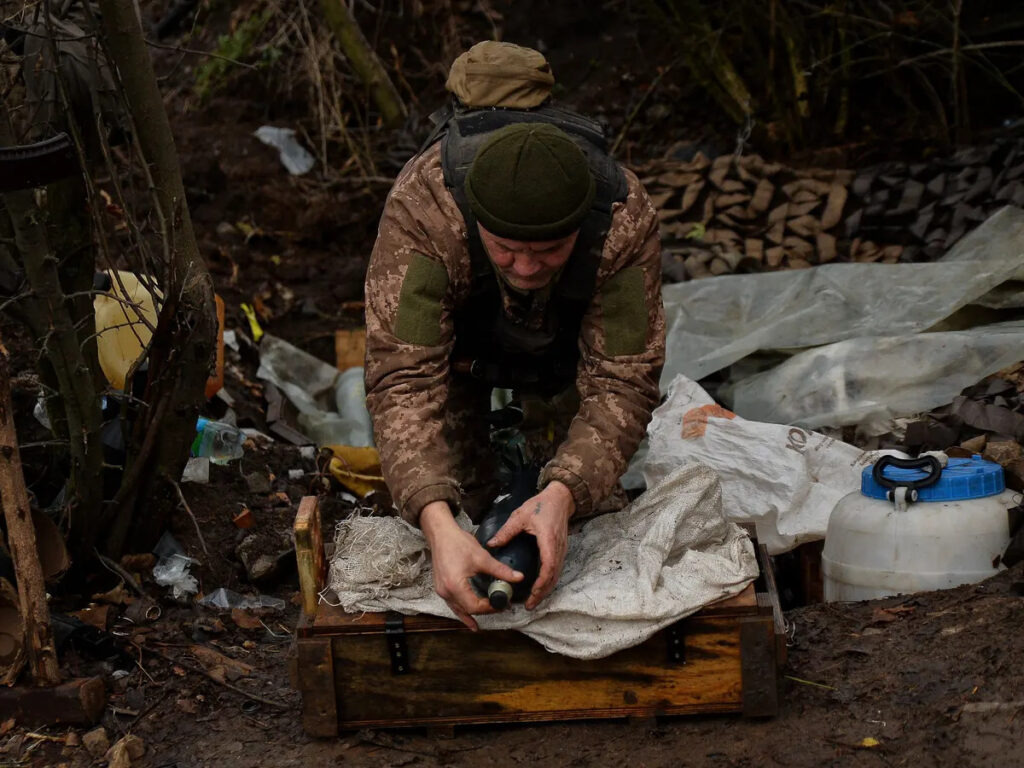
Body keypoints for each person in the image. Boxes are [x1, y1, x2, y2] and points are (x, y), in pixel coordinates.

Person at [364, 42, 665, 630]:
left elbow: (624, 378)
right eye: (507, 249)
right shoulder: (426, 211)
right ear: (474, 220)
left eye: (549, 250)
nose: (527, 268)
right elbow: (404, 376)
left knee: (582, 526)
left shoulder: (621, 216)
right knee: (458, 515)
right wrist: (436, 516)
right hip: (457, 359)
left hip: (566, 357)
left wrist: (565, 494)